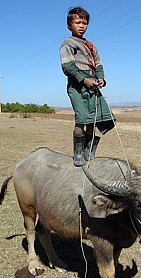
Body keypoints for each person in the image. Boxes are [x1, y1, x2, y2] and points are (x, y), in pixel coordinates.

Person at [59, 6, 115, 167]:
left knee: (92, 119)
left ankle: (88, 152)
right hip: (78, 86)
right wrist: (84, 80)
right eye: (78, 22)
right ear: (70, 25)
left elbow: (99, 65)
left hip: (92, 85)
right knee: (82, 118)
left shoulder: (92, 46)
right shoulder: (67, 44)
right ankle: (77, 154)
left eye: (84, 23)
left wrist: (101, 79)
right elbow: (68, 67)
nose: (82, 25)